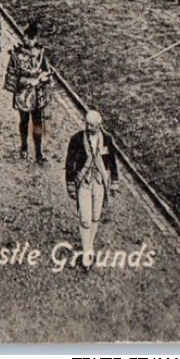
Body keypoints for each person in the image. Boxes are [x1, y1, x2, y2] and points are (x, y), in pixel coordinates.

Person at [65, 108, 119, 270]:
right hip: (84, 182)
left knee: (96, 216)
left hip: (99, 183)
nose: (89, 128)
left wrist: (114, 181)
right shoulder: (76, 139)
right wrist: (69, 183)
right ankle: (87, 251)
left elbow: (112, 162)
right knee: (85, 218)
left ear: (99, 125)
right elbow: (69, 162)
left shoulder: (107, 140)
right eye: (87, 124)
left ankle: (88, 247)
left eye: (93, 126)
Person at [3, 21, 52, 163]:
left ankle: (39, 152)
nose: (29, 41)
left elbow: (46, 71)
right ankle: (24, 147)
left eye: (32, 38)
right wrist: (23, 83)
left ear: (36, 38)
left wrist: (43, 79)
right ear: (23, 37)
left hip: (37, 94)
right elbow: (11, 75)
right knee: (24, 120)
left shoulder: (41, 54)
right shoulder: (16, 55)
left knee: (37, 122)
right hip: (23, 93)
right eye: (27, 37)